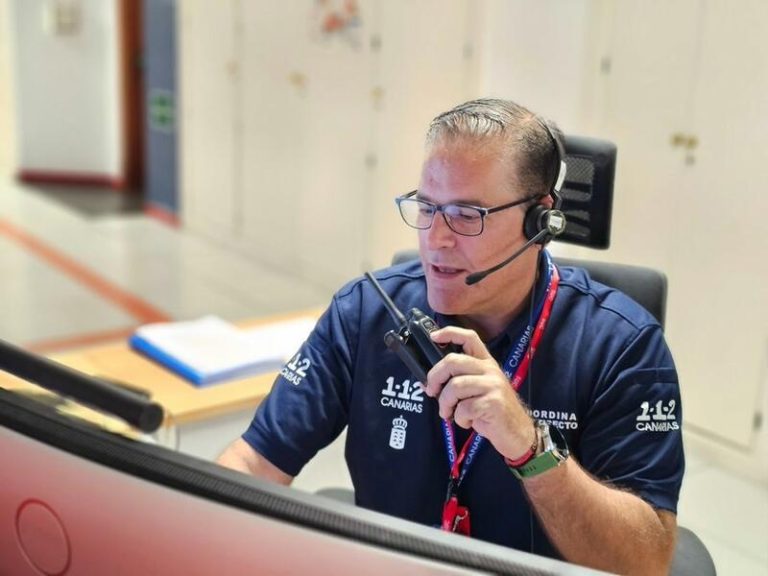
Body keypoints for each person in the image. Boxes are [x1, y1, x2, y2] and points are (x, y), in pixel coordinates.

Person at [217, 98, 684, 574]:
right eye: (426, 207)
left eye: (466, 215)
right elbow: (254, 465)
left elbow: (643, 562)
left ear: (539, 220)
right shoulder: (366, 311)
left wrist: (530, 446)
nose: (435, 239)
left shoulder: (622, 344)